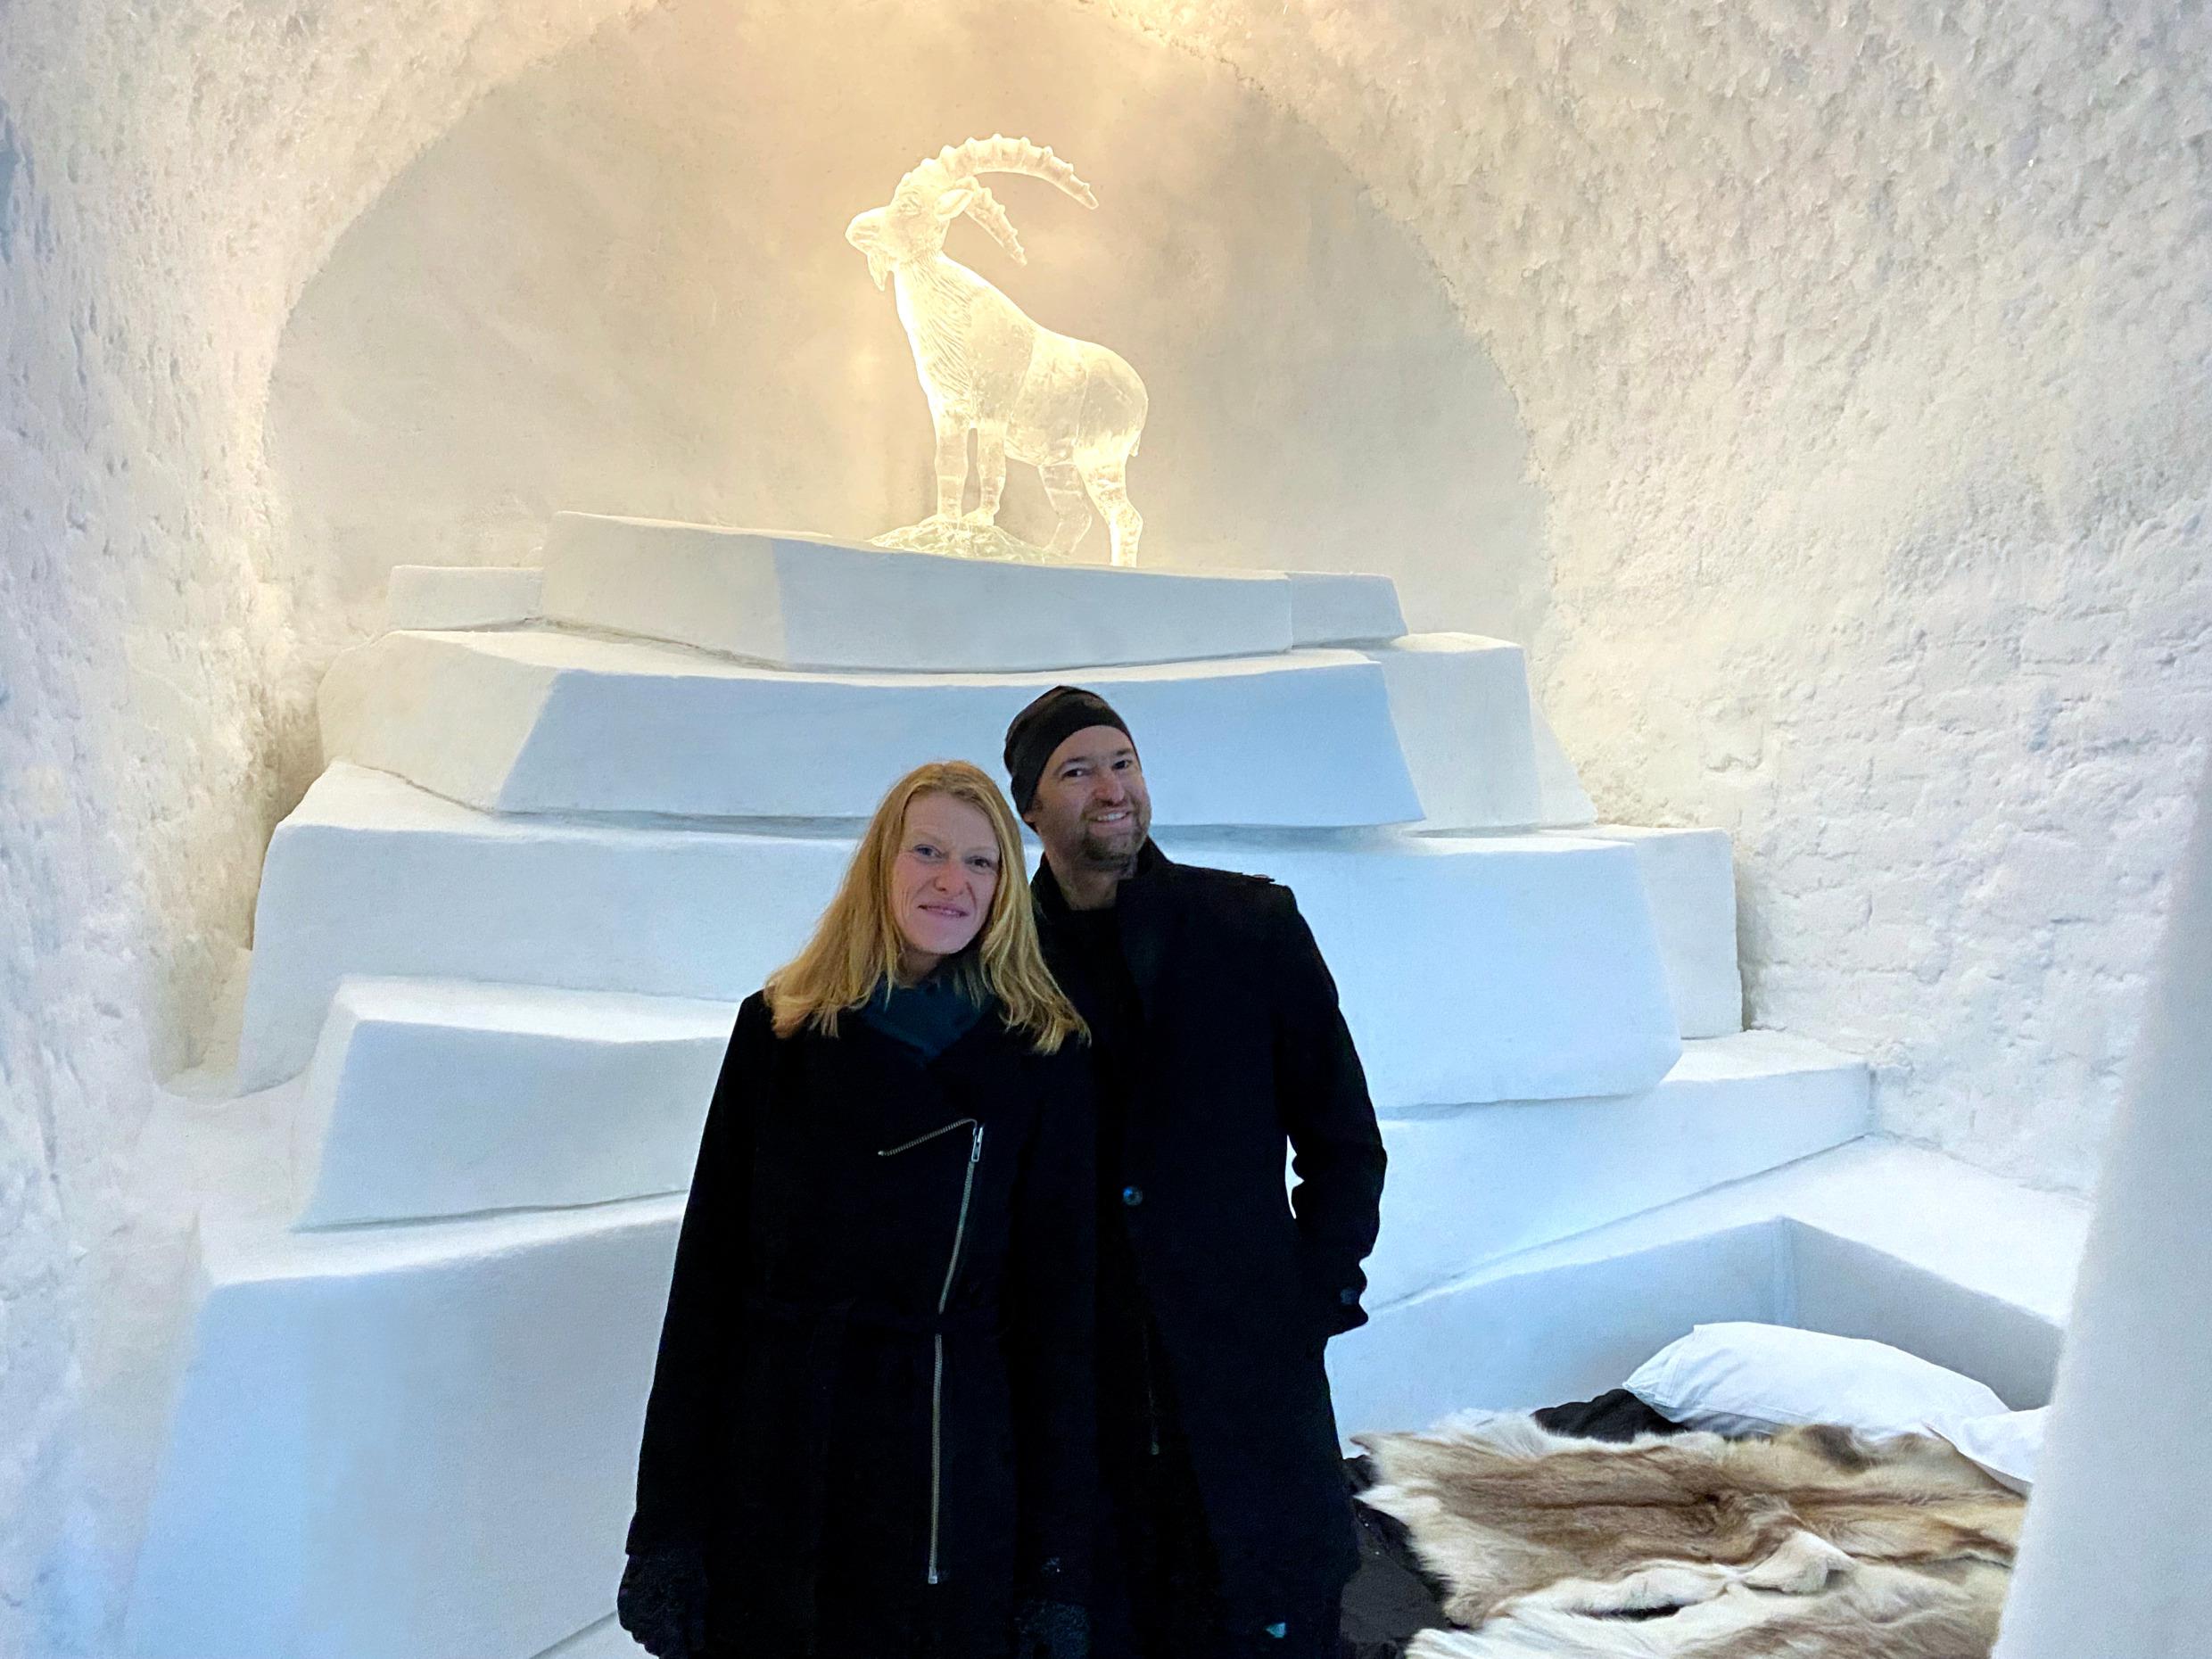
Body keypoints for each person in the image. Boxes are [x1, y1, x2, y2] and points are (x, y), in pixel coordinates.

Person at [617, 760, 1097, 1659]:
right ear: (882, 863)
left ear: (1005, 889)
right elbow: (706, 1291)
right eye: (926, 851)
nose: (951, 882)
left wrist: (1056, 1571)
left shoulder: (1040, 1055)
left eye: (981, 863)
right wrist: (667, 1533)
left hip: (944, 1486)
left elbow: (1057, 1327)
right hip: (773, 1469)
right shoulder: (780, 1030)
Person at [1002, 687, 1388, 1658]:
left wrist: (1312, 1299)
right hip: (1085, 1380)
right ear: (1030, 809)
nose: (1110, 789)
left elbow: (1342, 1136)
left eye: (1122, 762)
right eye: (1076, 770)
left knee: (1272, 1611)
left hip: (1242, 1372)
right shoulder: (1001, 961)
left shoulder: (1249, 923)